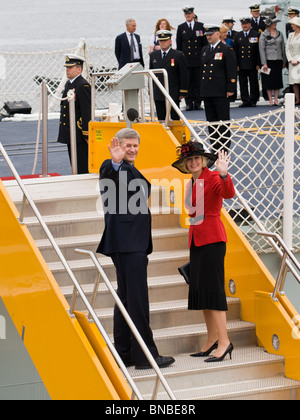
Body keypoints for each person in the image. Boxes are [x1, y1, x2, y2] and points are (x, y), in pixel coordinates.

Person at [96, 128, 175, 370]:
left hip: (130, 243)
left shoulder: (131, 168)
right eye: (127, 145)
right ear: (117, 146)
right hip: (128, 244)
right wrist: (115, 162)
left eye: (134, 146)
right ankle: (146, 357)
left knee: (127, 299)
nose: (131, 149)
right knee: (138, 301)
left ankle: (124, 352)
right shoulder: (112, 166)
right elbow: (109, 177)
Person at [172, 140, 235, 363]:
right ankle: (211, 340)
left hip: (212, 240)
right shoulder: (191, 183)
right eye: (189, 160)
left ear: (203, 160)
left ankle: (225, 341)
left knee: (214, 291)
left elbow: (227, 193)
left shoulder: (213, 177)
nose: (193, 162)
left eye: (196, 158)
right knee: (203, 292)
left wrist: (225, 174)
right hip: (197, 241)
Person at [200, 25, 237, 152]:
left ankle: (224, 146)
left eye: (210, 34)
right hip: (207, 91)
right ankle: (214, 145)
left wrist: (231, 88)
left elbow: (231, 71)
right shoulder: (205, 50)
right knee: (211, 121)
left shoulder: (226, 49)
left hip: (220, 91)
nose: (208, 37)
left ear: (217, 34)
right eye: (207, 35)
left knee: (222, 121)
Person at [57, 55, 91, 174]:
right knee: (74, 161)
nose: (67, 70)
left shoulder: (83, 85)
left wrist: (87, 134)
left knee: (82, 163)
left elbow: (87, 111)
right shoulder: (69, 84)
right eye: (67, 68)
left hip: (79, 132)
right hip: (70, 131)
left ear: (79, 69)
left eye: (70, 68)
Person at [149, 30, 189, 120]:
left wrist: (183, 91)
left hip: (173, 92)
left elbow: (184, 74)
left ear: (170, 41)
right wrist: (150, 89)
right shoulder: (154, 55)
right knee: (161, 119)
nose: (163, 43)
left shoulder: (178, 55)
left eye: (165, 40)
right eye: (161, 41)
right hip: (159, 92)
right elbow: (151, 74)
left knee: (175, 118)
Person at [176, 6, 207, 111]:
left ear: (193, 14)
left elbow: (204, 43)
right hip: (186, 59)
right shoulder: (181, 28)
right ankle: (189, 103)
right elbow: (179, 45)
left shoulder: (201, 26)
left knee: (198, 82)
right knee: (188, 82)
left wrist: (204, 57)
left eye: (189, 13)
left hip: (198, 59)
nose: (188, 15)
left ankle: (198, 102)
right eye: (186, 14)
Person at [259, 17, 286, 106]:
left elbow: (282, 47)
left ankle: (276, 100)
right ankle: (270, 100)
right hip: (268, 61)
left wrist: (284, 60)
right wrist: (264, 63)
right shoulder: (263, 34)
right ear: (269, 24)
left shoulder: (280, 34)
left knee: (277, 80)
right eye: (273, 23)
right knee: (268, 81)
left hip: (278, 60)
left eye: (276, 22)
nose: (275, 24)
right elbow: (262, 49)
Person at [234, 17, 260, 108]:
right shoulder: (238, 35)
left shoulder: (256, 34)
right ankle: (245, 100)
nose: (244, 26)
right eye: (243, 24)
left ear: (250, 24)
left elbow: (258, 50)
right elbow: (236, 51)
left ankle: (253, 100)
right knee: (242, 83)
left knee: (253, 82)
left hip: (252, 63)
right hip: (241, 63)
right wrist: (236, 64)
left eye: (246, 24)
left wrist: (258, 63)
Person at [286, 16, 300, 105]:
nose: (291, 26)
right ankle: (298, 98)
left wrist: (298, 60)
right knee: (294, 81)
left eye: (293, 24)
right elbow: (287, 48)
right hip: (292, 61)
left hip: (299, 61)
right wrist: (291, 59)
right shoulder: (291, 35)